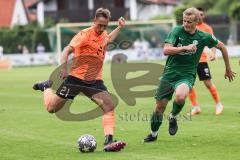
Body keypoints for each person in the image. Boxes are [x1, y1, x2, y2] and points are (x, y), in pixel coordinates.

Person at [33, 8, 126, 152]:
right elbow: (66, 50)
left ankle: (109, 141)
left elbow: (108, 39)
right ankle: (46, 87)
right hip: (76, 78)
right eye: (99, 25)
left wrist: (119, 27)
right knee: (52, 108)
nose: (102, 28)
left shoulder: (104, 34)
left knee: (109, 105)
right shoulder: (83, 35)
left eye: (105, 26)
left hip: (95, 81)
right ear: (94, 21)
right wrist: (63, 68)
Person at [143, 7, 235, 142]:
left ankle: (173, 116)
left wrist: (228, 68)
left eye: (189, 22)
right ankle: (153, 134)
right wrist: (184, 48)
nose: (185, 24)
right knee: (159, 108)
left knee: (180, 97)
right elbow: (166, 50)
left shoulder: (203, 36)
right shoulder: (176, 30)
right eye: (184, 20)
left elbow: (222, 47)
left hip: (186, 75)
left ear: (197, 22)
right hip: (169, 74)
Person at [189, 7, 223, 115]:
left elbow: (213, 42)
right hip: (189, 61)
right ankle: (195, 107)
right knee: (188, 84)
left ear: (203, 16)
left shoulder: (207, 28)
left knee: (208, 83)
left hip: (201, 60)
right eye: (198, 14)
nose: (200, 16)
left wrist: (213, 53)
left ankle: (218, 104)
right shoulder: (189, 27)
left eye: (201, 14)